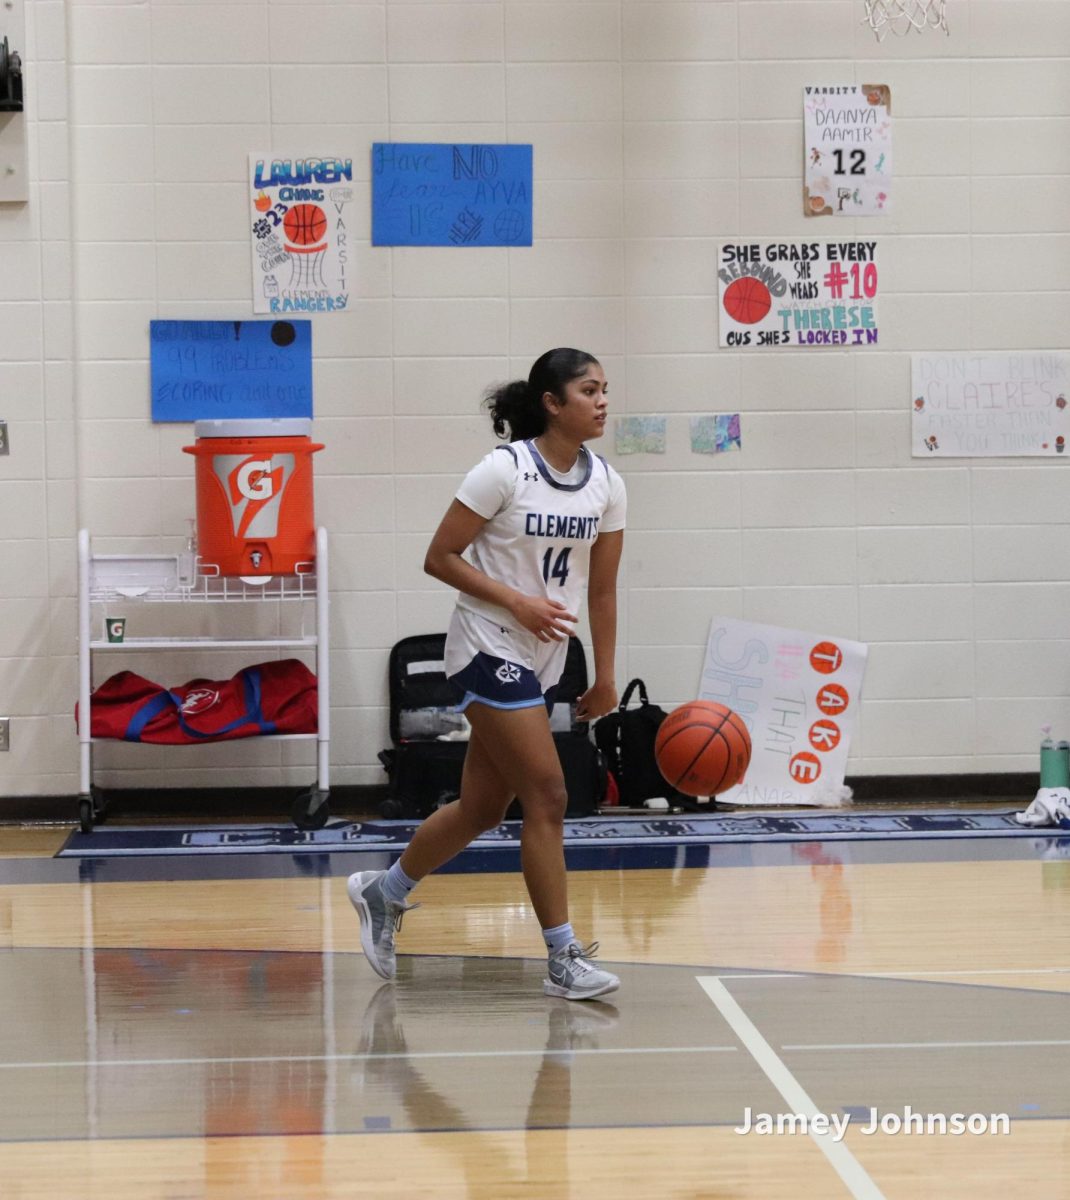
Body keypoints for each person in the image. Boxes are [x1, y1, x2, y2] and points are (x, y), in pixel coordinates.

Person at [347, 348, 626, 1001]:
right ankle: (562, 956)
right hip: (485, 642)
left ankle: (384, 896)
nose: (603, 401)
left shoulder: (608, 483)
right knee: (550, 795)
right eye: (590, 390)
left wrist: (606, 675)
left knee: (480, 808)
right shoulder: (503, 469)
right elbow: (439, 557)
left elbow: (605, 592)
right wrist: (517, 601)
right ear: (553, 403)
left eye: (606, 389)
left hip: (543, 656)